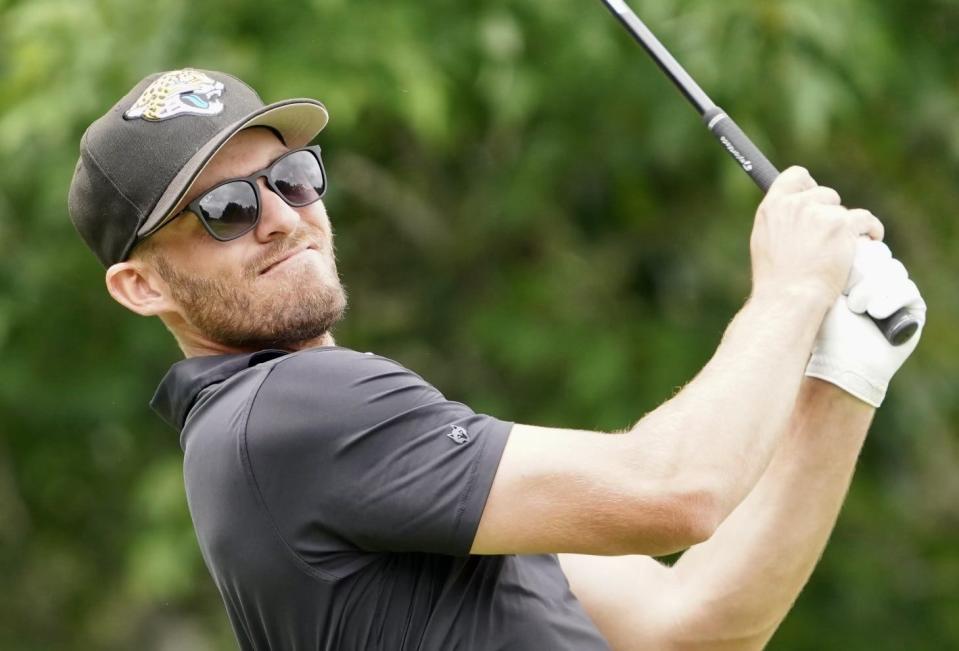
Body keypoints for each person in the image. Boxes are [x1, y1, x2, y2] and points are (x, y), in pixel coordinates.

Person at [68, 68, 926, 650]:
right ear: (142, 286)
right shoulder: (293, 410)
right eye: (223, 207)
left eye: (290, 176)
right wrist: (787, 290)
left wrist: (845, 369)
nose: (283, 216)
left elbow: (692, 624)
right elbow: (675, 488)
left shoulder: (339, 444)